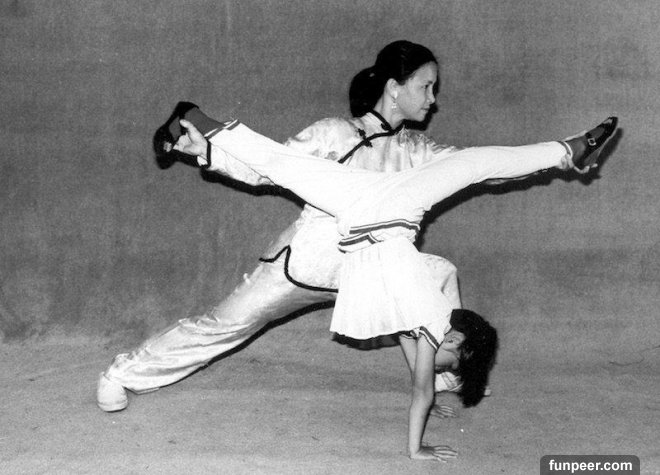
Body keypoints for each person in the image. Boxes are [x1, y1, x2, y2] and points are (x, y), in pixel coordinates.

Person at [144, 88, 616, 460]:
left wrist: (431, 409)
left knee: (289, 166)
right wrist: (416, 449)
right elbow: (420, 392)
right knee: (469, 165)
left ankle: (195, 117)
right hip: (391, 212)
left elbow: (422, 382)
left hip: (361, 206)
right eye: (452, 363)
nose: (439, 365)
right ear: (455, 341)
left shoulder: (426, 325)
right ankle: (569, 151)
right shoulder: (431, 327)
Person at [98, 41, 467, 416]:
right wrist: (207, 152)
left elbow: (472, 165)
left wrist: (510, 162)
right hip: (305, 265)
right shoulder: (335, 133)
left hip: (367, 271)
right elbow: (267, 167)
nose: (432, 99)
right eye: (426, 86)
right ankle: (121, 375)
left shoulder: (418, 150)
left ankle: (440, 374)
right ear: (393, 88)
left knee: (438, 274)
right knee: (224, 325)